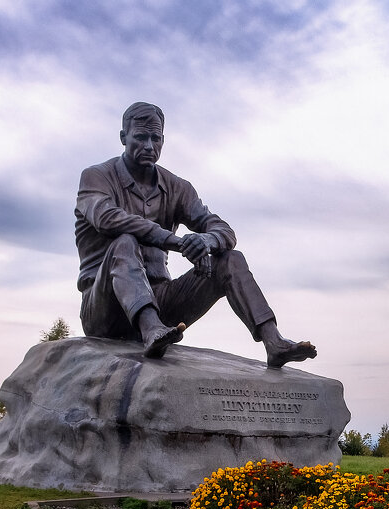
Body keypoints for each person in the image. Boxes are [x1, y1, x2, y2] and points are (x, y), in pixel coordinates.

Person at [74, 101, 317, 365]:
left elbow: (223, 230)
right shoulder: (96, 177)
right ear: (123, 137)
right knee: (124, 240)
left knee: (230, 259)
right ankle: (150, 329)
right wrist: (179, 243)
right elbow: (107, 218)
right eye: (140, 137)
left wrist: (205, 241)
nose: (148, 146)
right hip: (105, 309)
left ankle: (274, 342)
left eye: (155, 138)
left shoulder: (178, 187)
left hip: (162, 300)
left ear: (163, 140)